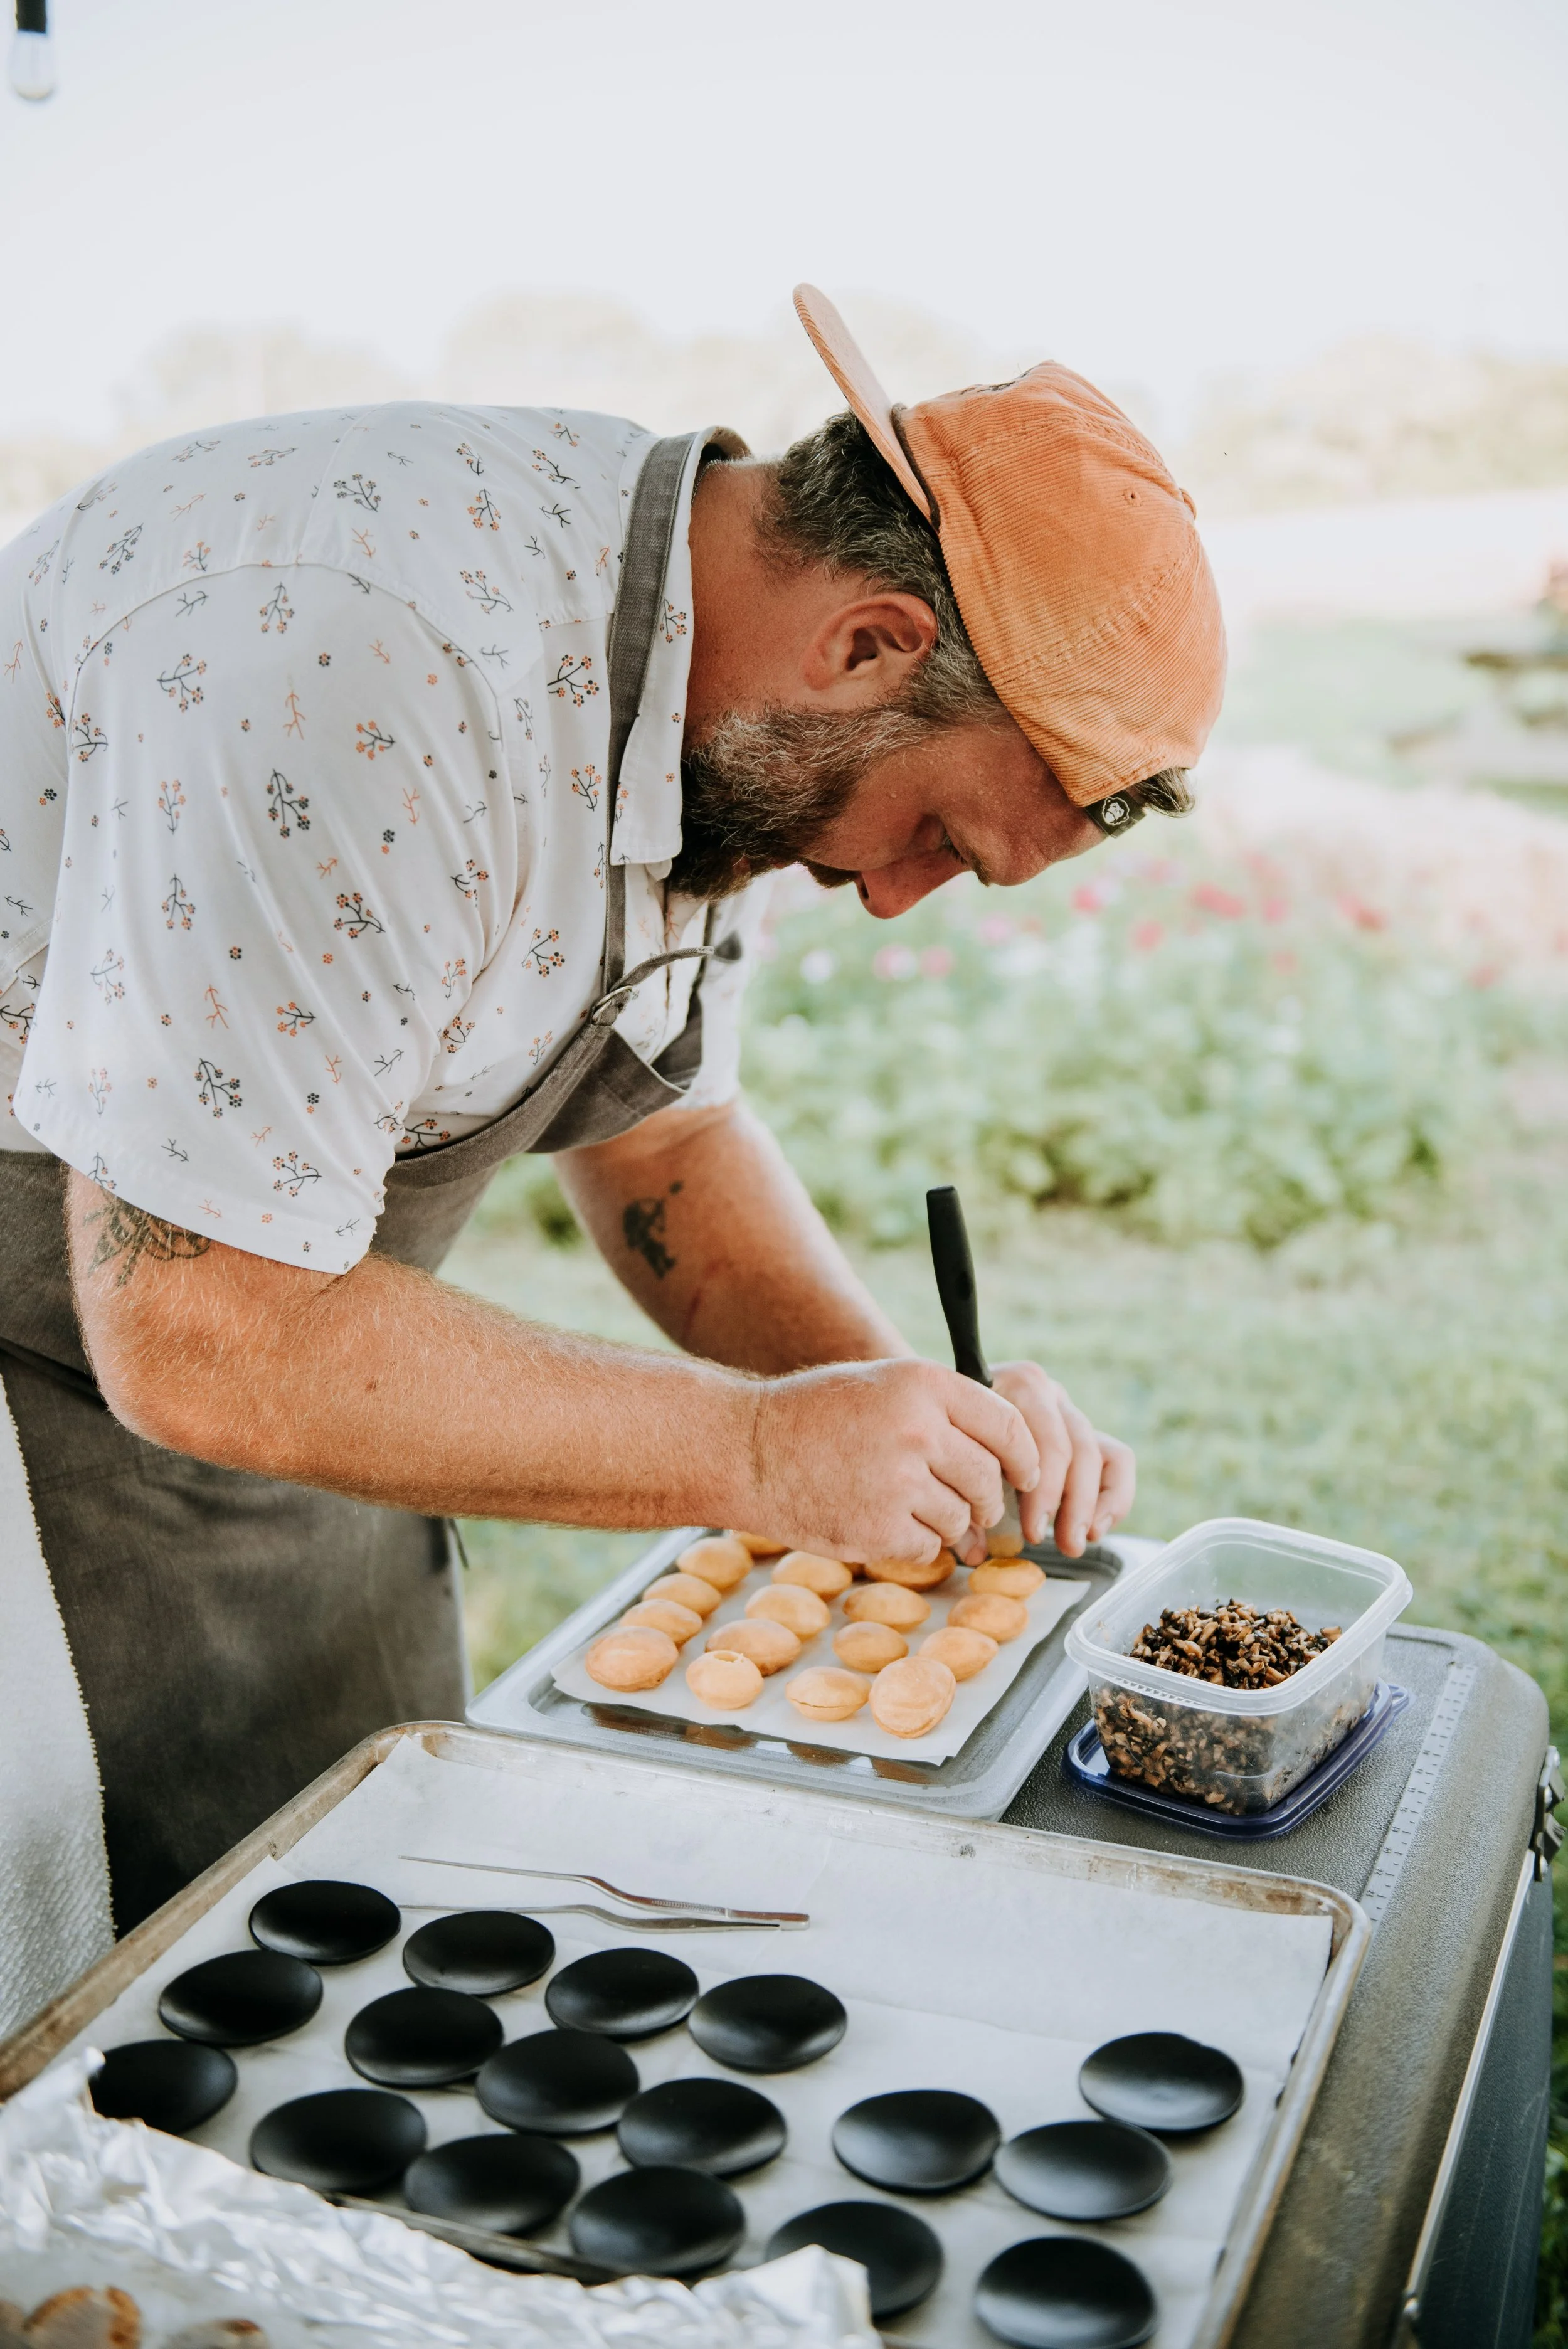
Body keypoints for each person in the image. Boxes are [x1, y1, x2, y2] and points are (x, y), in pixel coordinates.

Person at [0, 287, 1226, 1931]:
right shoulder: (362, 660)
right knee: (90, 1949)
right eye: (937, 834)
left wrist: (903, 1419)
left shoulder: (739, 697)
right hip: (88, 1345)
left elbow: (666, 1137)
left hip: (291, 1322)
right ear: (871, 643)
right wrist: (754, 1451)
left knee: (329, 1881)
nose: (889, 903)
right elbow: (208, 1327)